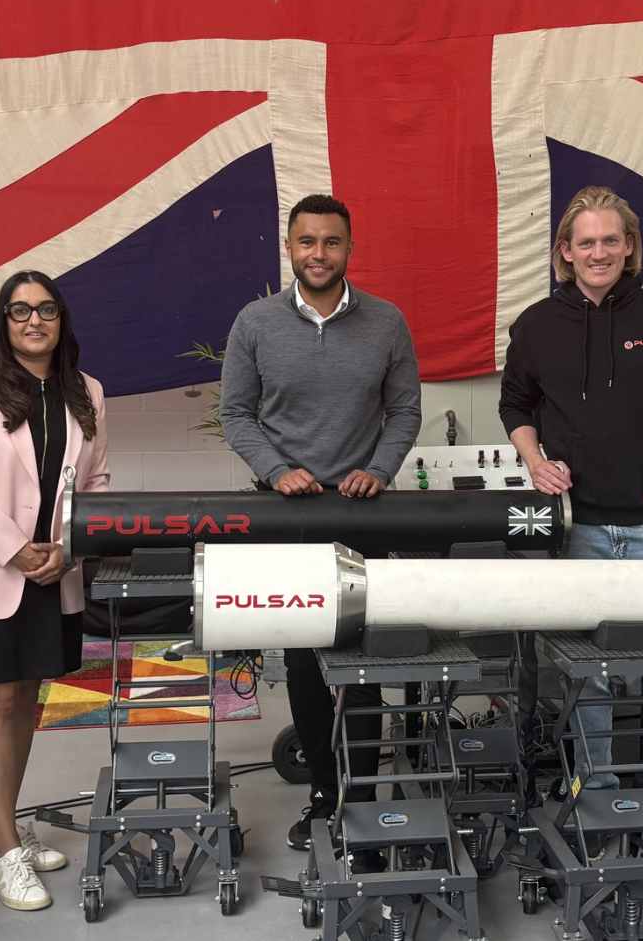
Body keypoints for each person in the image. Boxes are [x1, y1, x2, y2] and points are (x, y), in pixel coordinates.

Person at [498, 185, 643, 841]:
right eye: (585, 241)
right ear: (566, 250)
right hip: (579, 528)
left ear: (629, 247)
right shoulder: (536, 324)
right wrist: (534, 460)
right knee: (587, 678)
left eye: (610, 240)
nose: (598, 252)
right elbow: (516, 406)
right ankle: (600, 794)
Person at [219, 193, 421, 853]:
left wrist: (382, 469)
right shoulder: (254, 322)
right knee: (305, 662)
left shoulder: (387, 323)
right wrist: (277, 469)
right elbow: (238, 414)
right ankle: (324, 795)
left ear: (349, 249)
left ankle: (364, 797)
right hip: (288, 514)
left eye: (331, 242)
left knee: (363, 661)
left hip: (360, 512)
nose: (318, 254)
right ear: (289, 246)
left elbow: (405, 411)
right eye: (307, 241)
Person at [0, 271, 111, 912]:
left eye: (45, 310)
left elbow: (95, 482)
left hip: (54, 571)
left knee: (32, 694)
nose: (33, 321)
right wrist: (13, 547)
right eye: (19, 311)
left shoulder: (87, 391)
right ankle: (8, 848)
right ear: (3, 321)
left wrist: (69, 546)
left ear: (61, 319)